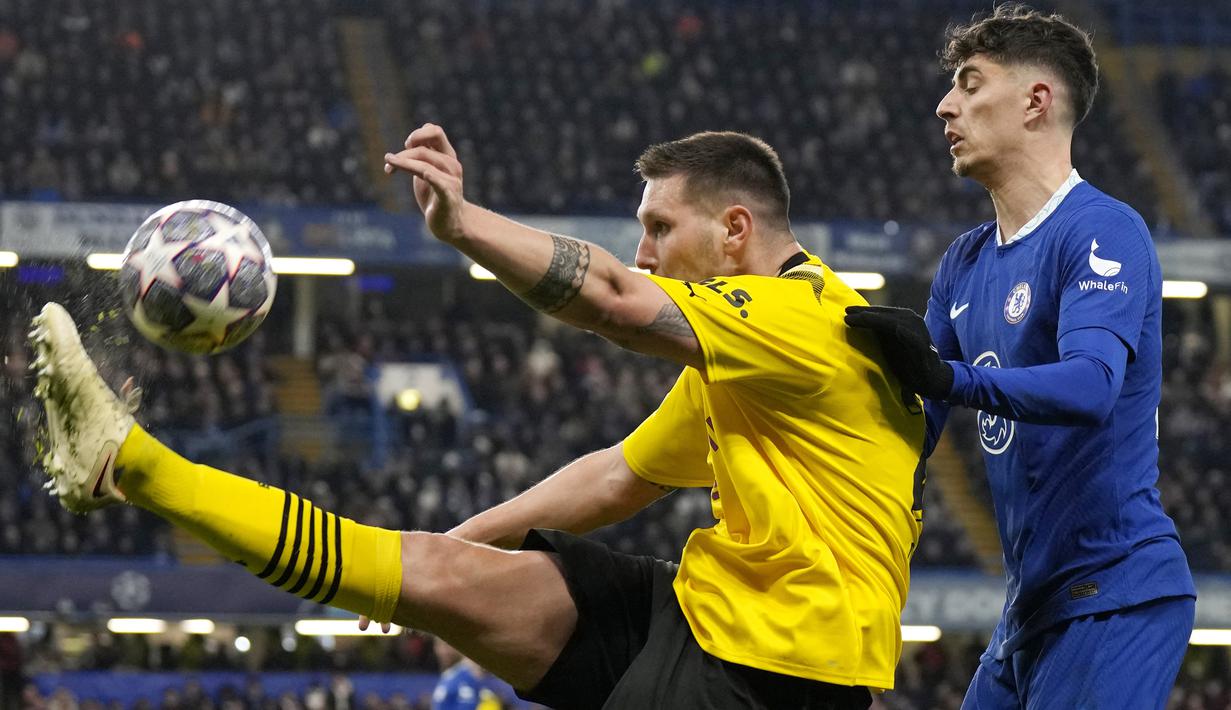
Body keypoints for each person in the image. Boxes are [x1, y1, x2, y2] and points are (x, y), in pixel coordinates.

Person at [32, 128, 924, 709]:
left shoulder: (803, 324)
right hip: (704, 614)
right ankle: (125, 462)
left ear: (735, 230)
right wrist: (456, 545)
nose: (645, 253)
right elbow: (617, 476)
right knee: (434, 570)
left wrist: (463, 228)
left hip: (776, 680)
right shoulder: (750, 352)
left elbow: (613, 298)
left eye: (659, 227)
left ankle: (133, 466)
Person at [845, 5, 1195, 708]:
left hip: (1113, 593)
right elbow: (919, 425)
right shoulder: (963, 262)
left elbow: (1091, 385)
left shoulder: (1101, 230)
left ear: (1036, 101)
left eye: (970, 84)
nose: (946, 105)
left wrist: (949, 377)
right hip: (1028, 609)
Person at [431, 637, 503, 710]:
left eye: (447, 646)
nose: (443, 651)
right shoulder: (449, 677)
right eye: (439, 645)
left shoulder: (467, 677)